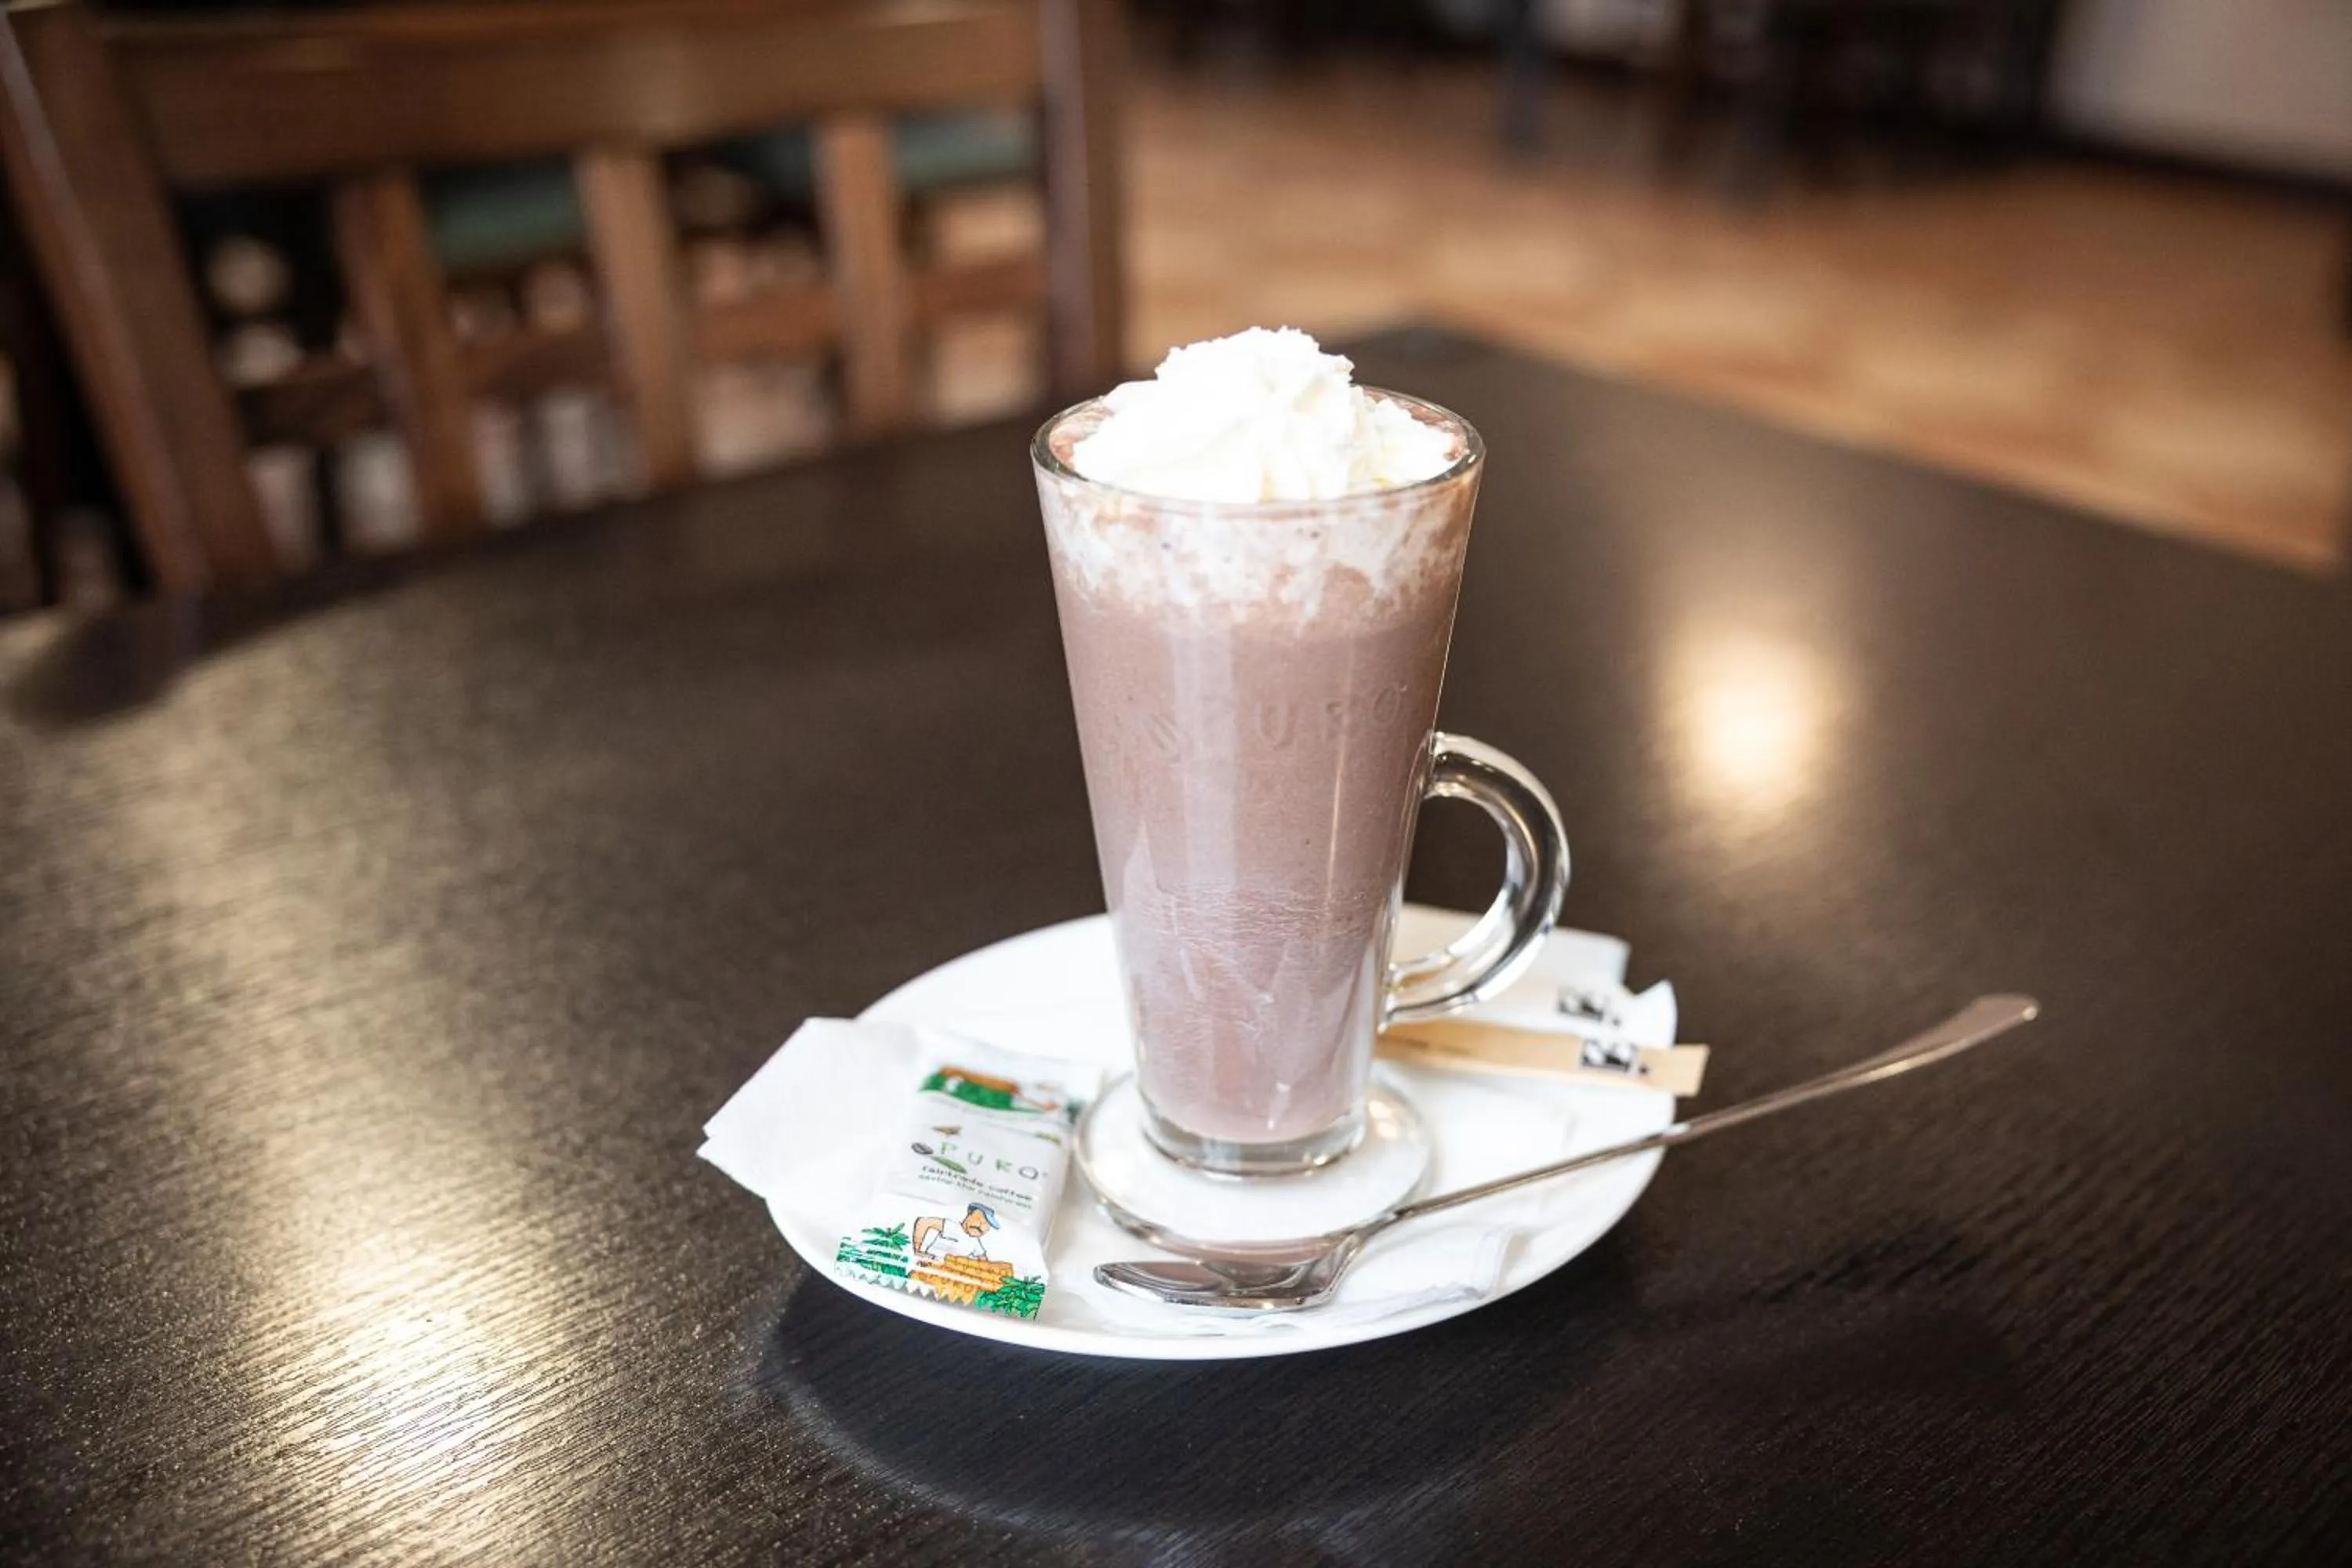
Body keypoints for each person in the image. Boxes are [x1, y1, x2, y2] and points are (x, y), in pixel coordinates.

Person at [910, 1203, 1000, 1262]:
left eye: (986, 1225)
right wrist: (917, 1250)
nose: (981, 1227)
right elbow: (923, 1222)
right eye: (979, 1220)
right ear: (970, 1213)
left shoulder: (975, 1242)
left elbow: (984, 1259)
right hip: (930, 1265)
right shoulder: (952, 1226)